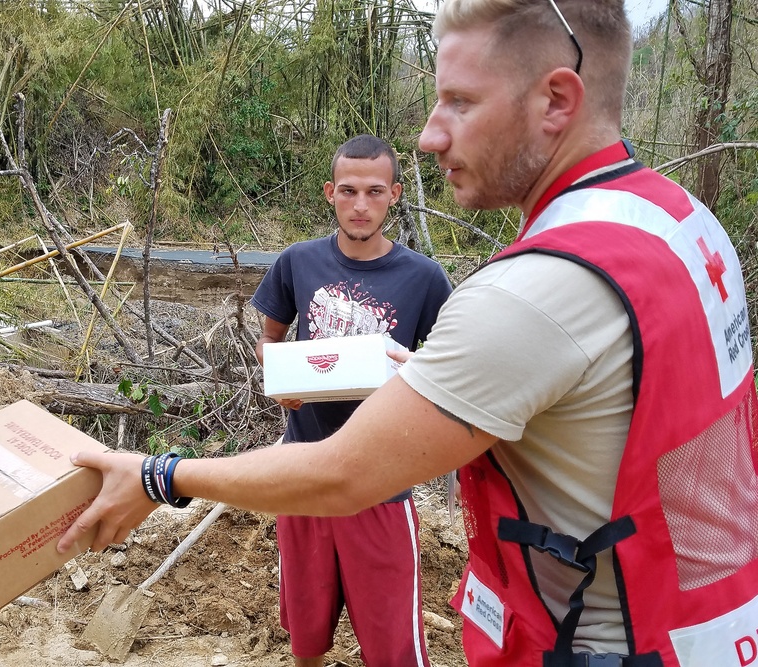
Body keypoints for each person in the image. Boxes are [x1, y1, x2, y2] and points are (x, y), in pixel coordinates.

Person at [58, 1, 758, 665]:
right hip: (704, 622)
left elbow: (344, 475)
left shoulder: (533, 292)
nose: (429, 135)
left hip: (595, 641)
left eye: (460, 100)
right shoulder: (677, 220)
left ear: (556, 101)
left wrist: (159, 474)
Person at [252, 134, 451, 667]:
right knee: (306, 632)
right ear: (329, 193)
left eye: (374, 191)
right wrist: (281, 381)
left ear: (395, 195)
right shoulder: (297, 263)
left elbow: (449, 365)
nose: (360, 205)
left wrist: (411, 373)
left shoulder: (425, 279)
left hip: (381, 480)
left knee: (392, 646)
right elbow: (271, 341)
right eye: (348, 191)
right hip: (304, 471)